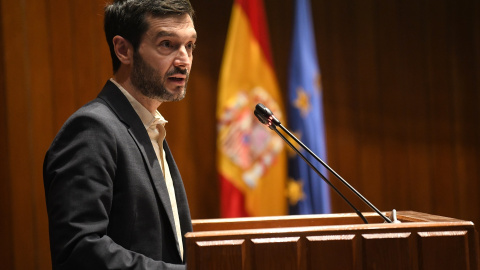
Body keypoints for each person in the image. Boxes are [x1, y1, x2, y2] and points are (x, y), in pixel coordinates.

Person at [43, 0, 197, 269]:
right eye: (167, 44)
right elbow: (79, 250)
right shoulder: (93, 129)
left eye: (189, 45)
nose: (184, 60)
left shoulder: (149, 126)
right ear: (124, 50)